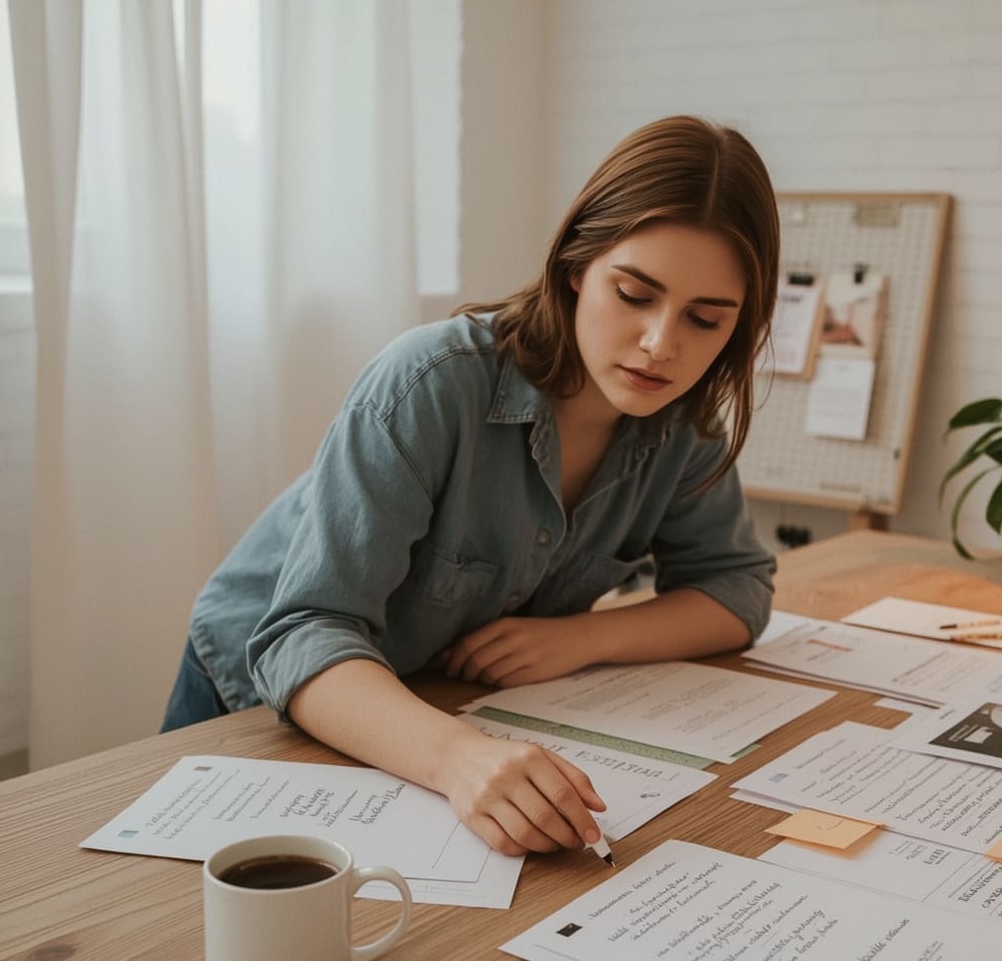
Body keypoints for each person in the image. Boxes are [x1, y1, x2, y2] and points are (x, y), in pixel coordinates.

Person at [161, 116, 780, 859]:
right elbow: (301, 634)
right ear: (578, 265)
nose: (662, 345)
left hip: (431, 711)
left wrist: (583, 638)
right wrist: (459, 757)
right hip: (261, 694)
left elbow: (738, 591)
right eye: (634, 294)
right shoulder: (429, 382)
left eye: (706, 320)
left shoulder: (683, 423)